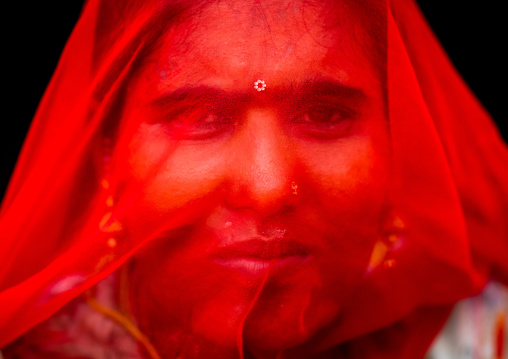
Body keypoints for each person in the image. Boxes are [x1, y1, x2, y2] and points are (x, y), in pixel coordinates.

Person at [0, 0, 506, 358]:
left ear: (399, 138)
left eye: (326, 115)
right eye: (198, 117)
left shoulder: (478, 338)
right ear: (107, 153)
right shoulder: (33, 346)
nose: (268, 189)